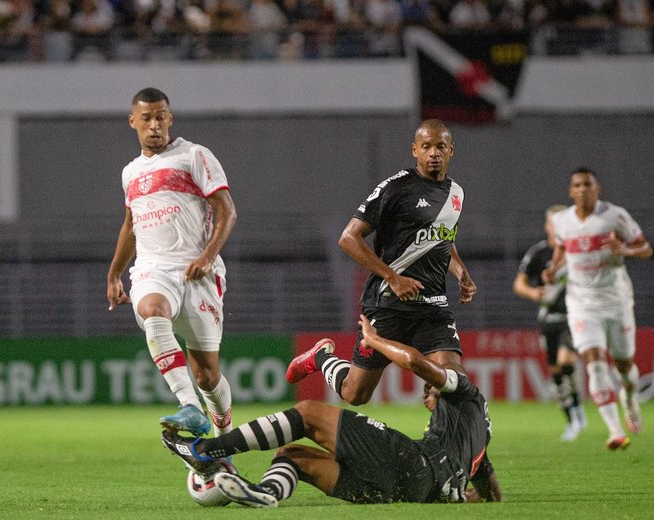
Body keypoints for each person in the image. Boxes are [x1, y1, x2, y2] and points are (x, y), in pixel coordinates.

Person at [161, 314, 502, 508]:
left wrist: (373, 339)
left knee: (308, 413)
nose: (427, 396)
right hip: (406, 493)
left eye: (431, 392)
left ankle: (205, 451)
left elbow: (415, 362)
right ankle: (266, 493)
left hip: (414, 466)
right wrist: (466, 496)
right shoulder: (478, 439)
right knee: (292, 455)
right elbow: (491, 493)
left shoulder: (464, 389)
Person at [285, 119, 477, 406]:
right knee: (355, 394)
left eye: (440, 146)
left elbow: (442, 240)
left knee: (453, 378)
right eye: (426, 146)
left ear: (451, 150)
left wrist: (461, 272)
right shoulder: (397, 187)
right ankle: (321, 356)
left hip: (433, 305)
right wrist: (393, 278)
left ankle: (443, 433)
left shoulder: (456, 194)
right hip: (388, 303)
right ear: (415, 150)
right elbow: (349, 238)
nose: (433, 153)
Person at [106, 87, 237, 438]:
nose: (154, 125)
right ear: (133, 121)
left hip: (198, 273)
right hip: (153, 268)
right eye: (146, 118)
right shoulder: (130, 173)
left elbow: (228, 211)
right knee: (152, 308)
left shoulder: (194, 156)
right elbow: (131, 224)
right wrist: (115, 273)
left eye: (160, 116)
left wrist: (207, 256)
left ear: (170, 118)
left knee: (207, 375)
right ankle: (189, 407)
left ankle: (226, 439)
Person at [542, 167, 652, 451]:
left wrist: (624, 251)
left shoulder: (615, 215)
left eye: (587, 185)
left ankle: (629, 395)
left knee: (624, 365)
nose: (582, 190)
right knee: (593, 359)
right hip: (581, 302)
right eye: (577, 185)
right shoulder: (561, 220)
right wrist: (553, 269)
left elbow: (645, 248)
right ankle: (615, 431)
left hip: (616, 300)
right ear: (570, 191)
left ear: (597, 188)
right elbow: (562, 249)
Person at [513, 204, 587, 442]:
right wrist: (534, 293)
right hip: (548, 319)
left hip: (574, 316)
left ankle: (576, 409)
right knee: (556, 373)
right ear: (547, 226)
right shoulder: (538, 253)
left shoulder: (577, 251)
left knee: (566, 362)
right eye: (554, 223)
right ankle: (572, 417)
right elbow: (519, 284)